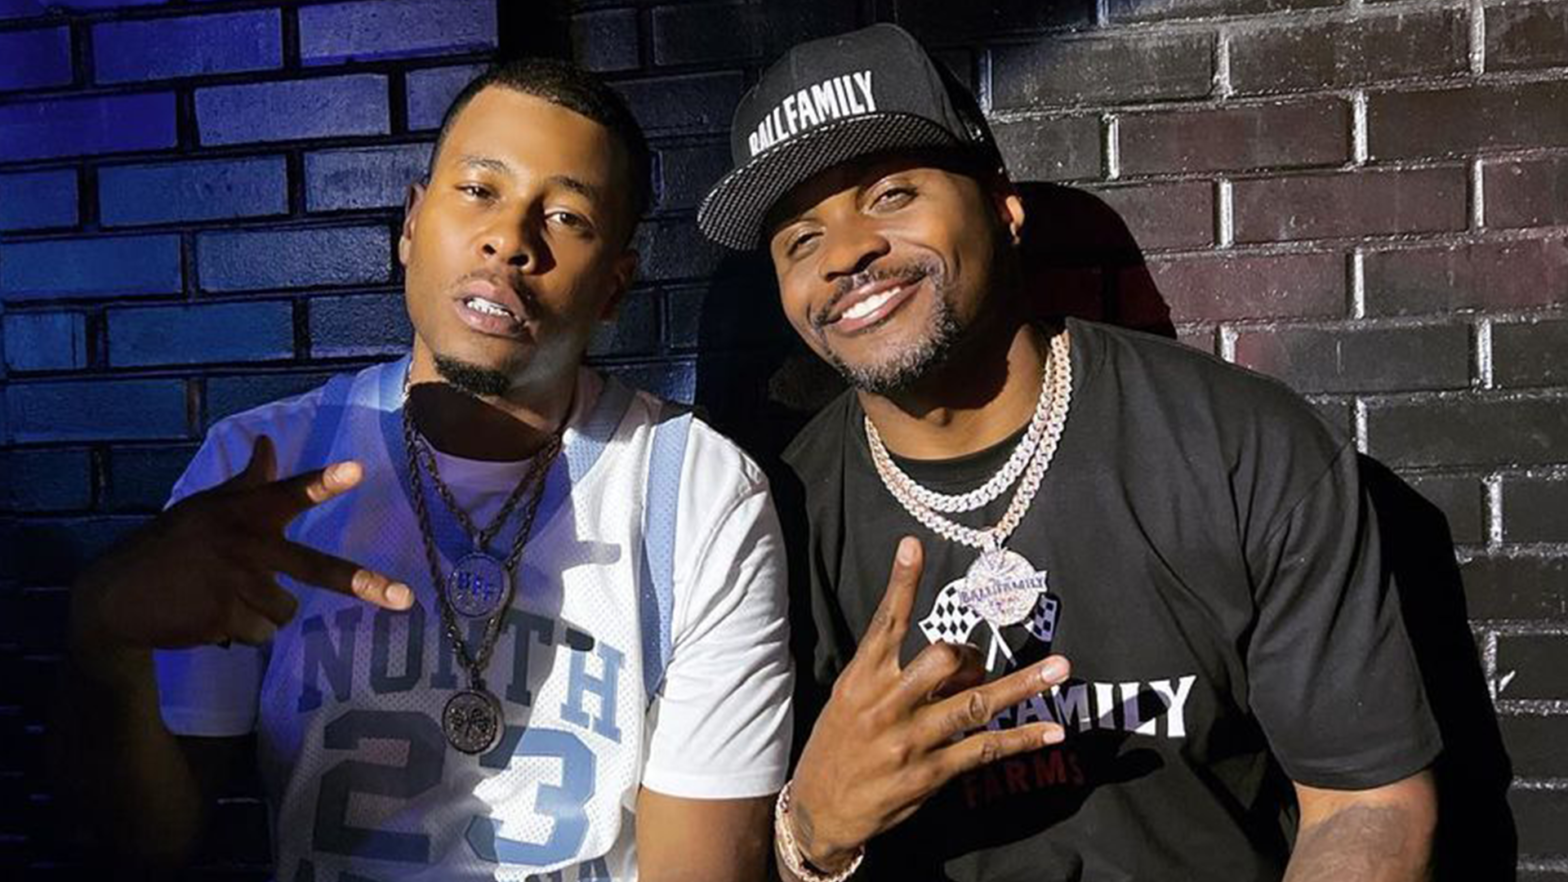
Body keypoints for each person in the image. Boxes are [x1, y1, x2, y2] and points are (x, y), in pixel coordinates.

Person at [697, 23, 1441, 882]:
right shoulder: (768, 519)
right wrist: (812, 834)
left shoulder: (1240, 445)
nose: (846, 253)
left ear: (1002, 208)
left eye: (892, 195)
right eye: (801, 239)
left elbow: (1366, 805)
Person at [55, 58, 793, 882]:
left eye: (565, 216)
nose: (510, 239)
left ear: (615, 287)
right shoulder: (260, 469)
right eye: (478, 190)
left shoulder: (697, 492)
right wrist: (106, 640)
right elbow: (151, 844)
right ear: (411, 224)